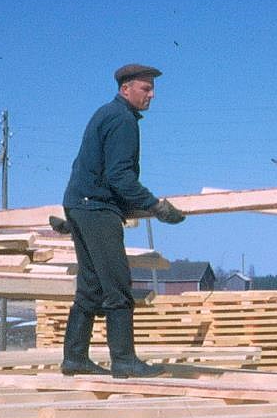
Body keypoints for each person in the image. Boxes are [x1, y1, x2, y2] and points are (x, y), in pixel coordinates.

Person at [60, 63, 185, 378]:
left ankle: (75, 358)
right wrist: (154, 206)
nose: (152, 95)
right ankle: (124, 361)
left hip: (81, 204)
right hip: (97, 209)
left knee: (90, 286)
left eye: (153, 89)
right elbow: (119, 176)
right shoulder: (122, 120)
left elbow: (93, 169)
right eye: (146, 88)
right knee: (117, 285)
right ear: (125, 88)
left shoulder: (105, 114)